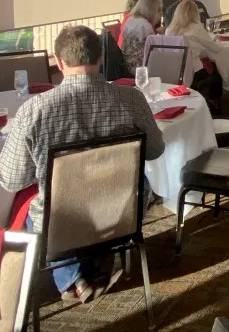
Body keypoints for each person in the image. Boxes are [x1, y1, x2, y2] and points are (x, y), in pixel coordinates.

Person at [0, 25, 165, 303]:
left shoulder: (34, 110)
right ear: (100, 58)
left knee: (39, 204)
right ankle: (95, 263)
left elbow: (11, 180)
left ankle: (72, 278)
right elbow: (156, 150)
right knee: (127, 187)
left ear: (60, 62)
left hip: (62, 221)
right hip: (121, 211)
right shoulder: (132, 99)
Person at [166, 0, 224, 106]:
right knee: (217, 75)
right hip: (194, 72)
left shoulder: (169, 30)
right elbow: (216, 49)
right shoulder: (196, 28)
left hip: (175, 71)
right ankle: (213, 105)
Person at [121, 0, 163, 75]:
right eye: (158, 10)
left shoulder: (130, 20)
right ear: (151, 11)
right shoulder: (145, 26)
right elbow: (155, 51)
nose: (160, 14)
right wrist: (163, 36)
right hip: (140, 69)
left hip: (126, 65)